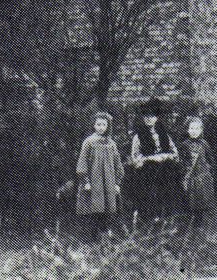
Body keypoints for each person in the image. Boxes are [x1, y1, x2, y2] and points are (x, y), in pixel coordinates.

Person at [127, 98, 180, 224]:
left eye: (152, 116)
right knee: (149, 190)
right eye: (146, 116)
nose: (148, 118)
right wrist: (150, 158)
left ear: (156, 118)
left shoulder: (164, 134)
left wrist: (166, 156)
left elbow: (175, 153)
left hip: (165, 169)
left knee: (170, 187)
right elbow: (135, 159)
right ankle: (150, 218)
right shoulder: (138, 136)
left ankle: (169, 217)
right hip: (147, 171)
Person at [75, 111, 124, 240]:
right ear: (94, 125)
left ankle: (105, 238)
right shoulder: (89, 142)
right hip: (94, 182)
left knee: (107, 211)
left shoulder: (111, 144)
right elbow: (82, 161)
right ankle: (92, 238)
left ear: (108, 126)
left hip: (108, 182)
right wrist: (86, 181)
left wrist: (117, 183)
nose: (101, 127)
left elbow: (118, 164)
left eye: (104, 124)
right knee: (94, 209)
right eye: (98, 124)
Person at [180, 116, 217, 229]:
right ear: (187, 130)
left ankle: (202, 224)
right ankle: (191, 223)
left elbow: (211, 160)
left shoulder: (204, 144)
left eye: (197, 129)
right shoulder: (184, 145)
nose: (194, 131)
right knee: (191, 200)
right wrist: (184, 172)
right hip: (190, 177)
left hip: (203, 176)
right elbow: (181, 161)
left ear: (201, 130)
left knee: (203, 200)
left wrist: (208, 170)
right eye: (191, 128)